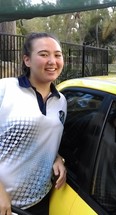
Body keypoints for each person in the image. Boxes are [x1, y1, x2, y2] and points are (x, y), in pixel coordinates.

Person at [0, 32, 67, 215]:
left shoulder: (61, 101)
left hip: (38, 202)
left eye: (57, 55)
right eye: (44, 54)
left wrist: (56, 157)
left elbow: (41, 136)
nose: (52, 61)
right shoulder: (5, 89)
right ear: (27, 60)